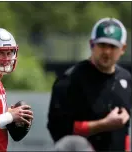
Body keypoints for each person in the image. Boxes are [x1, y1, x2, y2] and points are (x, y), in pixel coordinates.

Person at [47, 17, 131, 151]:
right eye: (102, 45)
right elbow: (58, 130)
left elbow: (125, 132)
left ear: (123, 48)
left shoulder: (126, 79)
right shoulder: (70, 80)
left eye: (113, 46)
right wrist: (103, 125)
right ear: (92, 44)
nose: (107, 51)